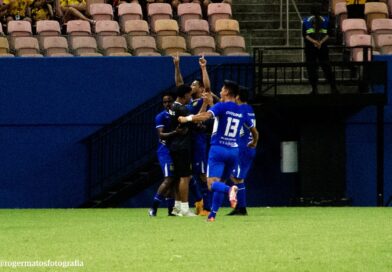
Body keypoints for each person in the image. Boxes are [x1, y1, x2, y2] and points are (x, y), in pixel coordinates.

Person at [178, 80, 259, 222]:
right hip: (233, 152)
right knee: (221, 182)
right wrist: (254, 142)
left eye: (222, 89)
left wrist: (187, 118)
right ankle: (212, 215)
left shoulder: (221, 106)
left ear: (227, 92)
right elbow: (254, 131)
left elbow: (205, 116)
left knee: (212, 184)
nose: (220, 92)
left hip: (218, 150)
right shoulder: (241, 110)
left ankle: (230, 190)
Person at [173, 54, 210, 216]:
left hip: (199, 139)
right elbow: (180, 86)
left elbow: (207, 88)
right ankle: (199, 202)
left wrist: (203, 68)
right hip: (189, 140)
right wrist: (176, 66)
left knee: (201, 174)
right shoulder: (188, 102)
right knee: (189, 175)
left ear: (200, 88)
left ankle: (206, 206)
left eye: (195, 85)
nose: (191, 86)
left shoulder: (202, 100)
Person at [228, 86, 258, 216]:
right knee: (236, 177)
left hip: (243, 148)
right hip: (248, 147)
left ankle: (242, 208)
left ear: (238, 97)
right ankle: (239, 207)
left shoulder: (241, 110)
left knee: (237, 178)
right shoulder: (249, 109)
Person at [168, 84, 196, 217]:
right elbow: (195, 119)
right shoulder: (182, 109)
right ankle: (185, 209)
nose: (190, 97)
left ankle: (177, 207)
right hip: (183, 146)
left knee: (179, 177)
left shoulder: (172, 106)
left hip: (174, 145)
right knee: (185, 177)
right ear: (185, 95)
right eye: (190, 95)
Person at [149, 92, 177, 217]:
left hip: (175, 150)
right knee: (169, 178)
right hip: (165, 151)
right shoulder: (161, 116)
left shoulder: (177, 115)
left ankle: (171, 210)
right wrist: (176, 133)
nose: (167, 104)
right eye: (165, 102)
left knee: (173, 180)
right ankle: (153, 208)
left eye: (169, 101)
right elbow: (161, 134)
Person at [302, 4, 337, 94]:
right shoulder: (326, 20)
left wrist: (315, 42)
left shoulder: (306, 20)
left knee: (312, 69)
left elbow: (305, 35)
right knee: (327, 68)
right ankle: (333, 88)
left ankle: (314, 89)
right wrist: (320, 43)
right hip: (323, 47)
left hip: (310, 48)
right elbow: (329, 34)